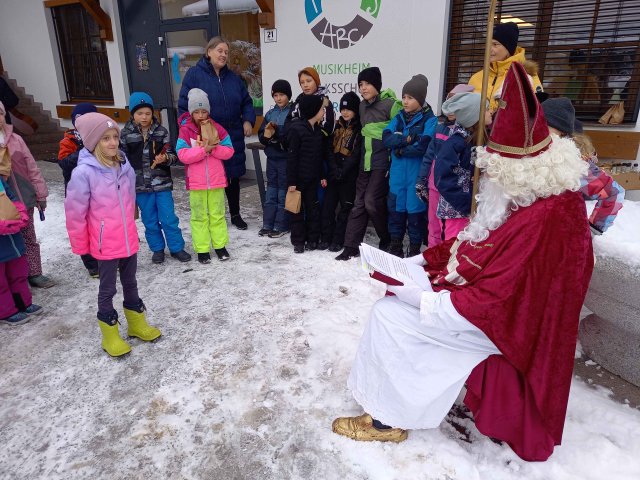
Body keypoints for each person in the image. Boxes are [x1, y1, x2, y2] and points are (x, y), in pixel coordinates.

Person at [332, 62, 594, 462]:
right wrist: (420, 262)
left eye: (499, 171)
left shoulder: (549, 213)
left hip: (510, 327)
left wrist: (427, 299)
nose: (493, 180)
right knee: (395, 308)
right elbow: (480, 240)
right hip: (493, 308)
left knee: (391, 317)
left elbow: (503, 297)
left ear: (522, 168)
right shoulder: (534, 192)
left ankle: (387, 420)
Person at [65, 113, 161, 357]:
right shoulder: (83, 173)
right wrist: (81, 245)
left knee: (131, 282)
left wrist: (131, 219)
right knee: (107, 289)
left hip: (127, 238)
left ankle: (137, 323)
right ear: (92, 142)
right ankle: (110, 334)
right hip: (104, 243)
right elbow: (75, 213)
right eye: (105, 138)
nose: (112, 143)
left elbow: (129, 199)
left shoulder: (123, 165)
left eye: (115, 137)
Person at [178, 36, 256, 230]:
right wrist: (191, 129)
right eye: (219, 50)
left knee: (233, 176)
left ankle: (236, 214)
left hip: (232, 133)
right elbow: (183, 105)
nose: (223, 55)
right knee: (210, 177)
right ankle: (213, 215)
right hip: (205, 135)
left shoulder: (234, 78)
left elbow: (246, 101)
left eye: (226, 52)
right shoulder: (195, 75)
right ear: (209, 52)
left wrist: (247, 120)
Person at [335, 67, 402, 261]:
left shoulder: (390, 105)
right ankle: (350, 246)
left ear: (377, 85)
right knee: (358, 204)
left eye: (367, 84)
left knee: (371, 201)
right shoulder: (362, 106)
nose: (363, 88)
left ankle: (386, 237)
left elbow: (398, 130)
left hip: (383, 162)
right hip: (365, 162)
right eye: (361, 85)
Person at [120, 92, 191, 264]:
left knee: (169, 218)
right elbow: (122, 160)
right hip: (140, 187)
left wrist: (166, 158)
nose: (144, 117)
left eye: (147, 113)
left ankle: (176, 248)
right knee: (150, 220)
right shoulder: (125, 134)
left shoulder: (161, 132)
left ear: (153, 113)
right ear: (132, 114)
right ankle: (157, 249)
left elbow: (173, 155)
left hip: (162, 184)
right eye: (139, 113)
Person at [541, 97, 624, 234]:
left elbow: (613, 193)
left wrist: (593, 228)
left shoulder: (573, 162)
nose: (537, 127)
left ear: (561, 130)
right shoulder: (536, 151)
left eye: (545, 124)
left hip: (559, 236)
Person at [176, 88, 235, 264]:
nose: (201, 115)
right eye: (196, 111)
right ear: (191, 112)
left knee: (217, 214)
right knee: (199, 216)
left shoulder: (217, 128)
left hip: (216, 181)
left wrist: (214, 149)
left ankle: (219, 246)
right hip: (196, 183)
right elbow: (182, 154)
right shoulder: (186, 131)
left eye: (204, 111)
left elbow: (229, 151)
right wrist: (203, 151)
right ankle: (202, 249)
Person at [0, 101, 54, 289]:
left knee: (29, 238)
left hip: (23, 199)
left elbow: (32, 168)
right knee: (6, 244)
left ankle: (34, 273)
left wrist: (40, 194)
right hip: (2, 205)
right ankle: (14, 279)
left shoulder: (16, 139)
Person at [382, 74, 437, 258]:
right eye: (404, 97)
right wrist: (406, 139)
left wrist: (400, 149)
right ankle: (395, 246)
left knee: (415, 215)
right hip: (398, 177)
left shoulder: (430, 119)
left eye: (410, 98)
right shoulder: (398, 117)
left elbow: (423, 146)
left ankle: (414, 250)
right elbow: (386, 138)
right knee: (395, 213)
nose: (405, 101)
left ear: (420, 99)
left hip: (416, 176)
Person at [416, 84, 474, 248]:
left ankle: (445, 259)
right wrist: (422, 179)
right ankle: (432, 255)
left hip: (452, 190)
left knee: (449, 228)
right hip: (435, 186)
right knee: (433, 225)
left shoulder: (466, 133)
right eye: (448, 100)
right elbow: (429, 155)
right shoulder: (440, 127)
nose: (450, 107)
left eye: (455, 104)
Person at [434, 92, 491, 241]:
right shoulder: (455, 144)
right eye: (486, 109)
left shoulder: (480, 142)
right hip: (455, 211)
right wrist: (466, 205)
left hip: (474, 210)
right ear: (474, 116)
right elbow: (443, 179)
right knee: (452, 250)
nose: (490, 112)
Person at [58, 102, 99, 277]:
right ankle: (91, 264)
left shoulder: (102, 137)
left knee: (99, 224)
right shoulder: (69, 140)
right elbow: (64, 163)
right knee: (82, 228)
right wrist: (84, 151)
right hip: (77, 192)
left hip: (99, 190)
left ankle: (106, 257)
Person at [468, 22, 542, 115]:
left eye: (495, 44)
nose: (489, 49)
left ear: (509, 48)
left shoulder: (524, 75)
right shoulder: (476, 78)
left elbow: (534, 112)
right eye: (488, 44)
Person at [286, 95, 329, 253]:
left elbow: (319, 156)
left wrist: (322, 175)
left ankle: (312, 239)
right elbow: (292, 157)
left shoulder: (317, 130)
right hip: (297, 180)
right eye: (322, 109)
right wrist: (291, 181)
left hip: (312, 178)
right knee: (296, 210)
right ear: (313, 111)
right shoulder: (297, 129)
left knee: (313, 209)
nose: (324, 111)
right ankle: (298, 241)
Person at [319, 92, 361, 252]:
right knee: (328, 206)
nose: (345, 112)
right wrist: (333, 168)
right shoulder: (336, 126)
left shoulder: (358, 128)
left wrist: (344, 170)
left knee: (345, 209)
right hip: (334, 171)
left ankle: (338, 239)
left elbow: (356, 153)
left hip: (348, 175)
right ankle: (326, 237)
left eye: (349, 109)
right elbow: (328, 149)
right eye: (343, 109)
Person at [0, 176, 43, 325]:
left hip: (13, 236)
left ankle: (23, 302)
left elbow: (12, 197)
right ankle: (6, 311)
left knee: (18, 272)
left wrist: (20, 213)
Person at [258, 79, 292, 238]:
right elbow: (260, 134)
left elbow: (290, 137)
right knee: (271, 190)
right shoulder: (270, 113)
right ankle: (268, 223)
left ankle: (281, 224)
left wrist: (277, 136)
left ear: (288, 96)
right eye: (275, 95)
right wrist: (266, 138)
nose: (278, 98)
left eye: (282, 95)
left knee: (282, 192)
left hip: (285, 159)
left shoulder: (292, 113)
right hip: (272, 158)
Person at [285, 67, 335, 137]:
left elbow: (327, 129)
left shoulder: (325, 102)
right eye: (302, 82)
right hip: (297, 145)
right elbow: (288, 123)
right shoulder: (298, 102)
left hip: (319, 145)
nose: (305, 85)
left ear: (316, 82)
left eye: (308, 81)